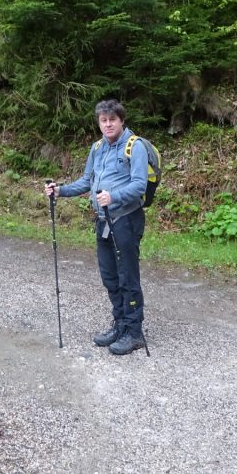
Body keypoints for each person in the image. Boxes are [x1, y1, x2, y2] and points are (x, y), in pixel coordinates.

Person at [45, 100, 149, 355]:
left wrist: (113, 196)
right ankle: (121, 324)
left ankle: (135, 333)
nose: (108, 124)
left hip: (126, 219)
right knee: (110, 277)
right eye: (103, 120)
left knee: (127, 276)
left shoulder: (135, 147)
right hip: (103, 220)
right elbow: (87, 181)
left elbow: (140, 185)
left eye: (112, 119)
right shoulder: (97, 148)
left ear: (121, 120)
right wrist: (60, 191)